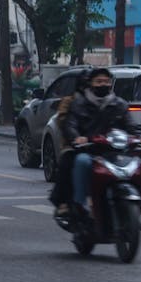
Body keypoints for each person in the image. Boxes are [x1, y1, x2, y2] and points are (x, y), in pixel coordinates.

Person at [62, 68, 141, 217]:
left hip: (116, 153)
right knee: (82, 161)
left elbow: (131, 126)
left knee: (139, 164)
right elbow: (70, 125)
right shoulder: (79, 104)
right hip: (91, 151)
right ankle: (79, 203)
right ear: (91, 84)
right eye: (99, 81)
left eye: (106, 82)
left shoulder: (119, 104)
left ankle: (140, 204)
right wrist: (77, 138)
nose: (103, 85)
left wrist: (139, 139)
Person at [50, 72, 90, 215]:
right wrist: (77, 137)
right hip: (76, 144)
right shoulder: (70, 101)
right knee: (68, 162)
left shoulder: (108, 102)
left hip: (101, 144)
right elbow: (64, 122)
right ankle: (63, 201)